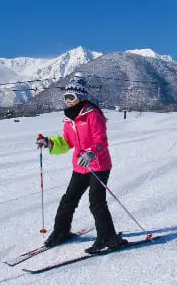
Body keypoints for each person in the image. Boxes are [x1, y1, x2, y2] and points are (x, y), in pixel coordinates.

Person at [36, 73, 127, 253]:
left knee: (96, 202)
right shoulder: (69, 119)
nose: (68, 100)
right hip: (80, 165)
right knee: (68, 199)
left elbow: (101, 141)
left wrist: (92, 153)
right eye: (66, 97)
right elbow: (67, 142)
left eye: (71, 97)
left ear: (81, 97)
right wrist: (49, 143)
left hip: (98, 165)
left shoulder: (93, 115)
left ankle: (108, 237)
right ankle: (61, 231)